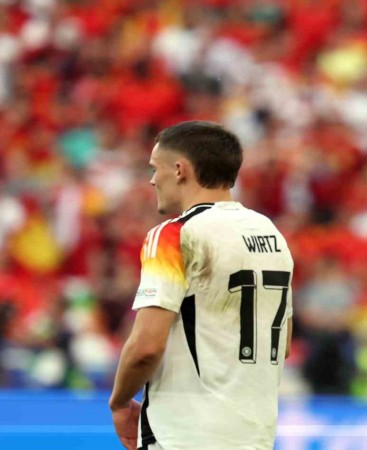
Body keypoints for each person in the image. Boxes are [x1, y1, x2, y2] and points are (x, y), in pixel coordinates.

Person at [108, 121, 294, 450]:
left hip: (184, 435)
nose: (152, 180)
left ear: (180, 170)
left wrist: (120, 401)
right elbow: (283, 343)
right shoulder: (271, 234)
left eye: (155, 168)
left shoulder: (174, 234)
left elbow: (146, 347)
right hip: (255, 436)